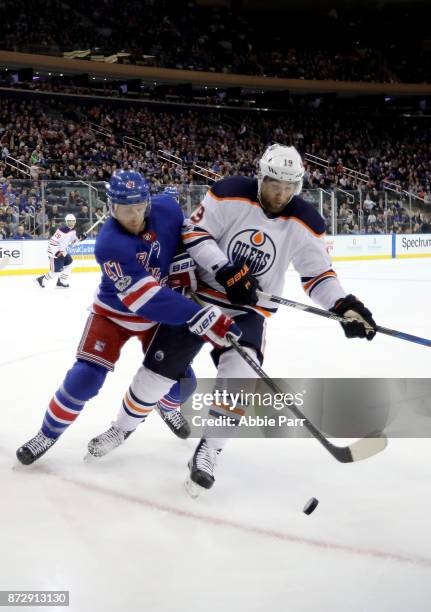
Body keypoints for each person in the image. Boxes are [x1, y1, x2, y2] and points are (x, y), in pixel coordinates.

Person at [88, 145, 377, 497]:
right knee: (154, 376)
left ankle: (210, 450)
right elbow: (193, 233)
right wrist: (224, 269)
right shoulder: (227, 193)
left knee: (242, 375)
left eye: (289, 187)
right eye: (275, 185)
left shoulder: (307, 222)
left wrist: (343, 304)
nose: (281, 194)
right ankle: (121, 428)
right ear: (262, 176)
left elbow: (317, 275)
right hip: (199, 299)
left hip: (248, 310)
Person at [16, 170, 240, 466]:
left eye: (138, 208)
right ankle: (47, 433)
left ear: (147, 202)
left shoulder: (168, 209)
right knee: (84, 379)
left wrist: (189, 263)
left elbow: (190, 237)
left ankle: (165, 404)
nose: (133, 216)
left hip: (157, 317)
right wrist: (201, 313)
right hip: (114, 315)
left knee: (184, 384)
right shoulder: (110, 244)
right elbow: (145, 299)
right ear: (111, 208)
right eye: (125, 210)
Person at [35, 213, 80, 288]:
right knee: (56, 272)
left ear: (75, 222)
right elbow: (52, 242)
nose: (71, 223)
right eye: (69, 221)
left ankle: (61, 281)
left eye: (73, 221)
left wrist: (80, 239)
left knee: (69, 263)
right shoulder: (61, 230)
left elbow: (73, 243)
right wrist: (56, 252)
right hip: (55, 253)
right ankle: (41, 279)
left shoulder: (73, 231)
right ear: (66, 222)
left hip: (63, 251)